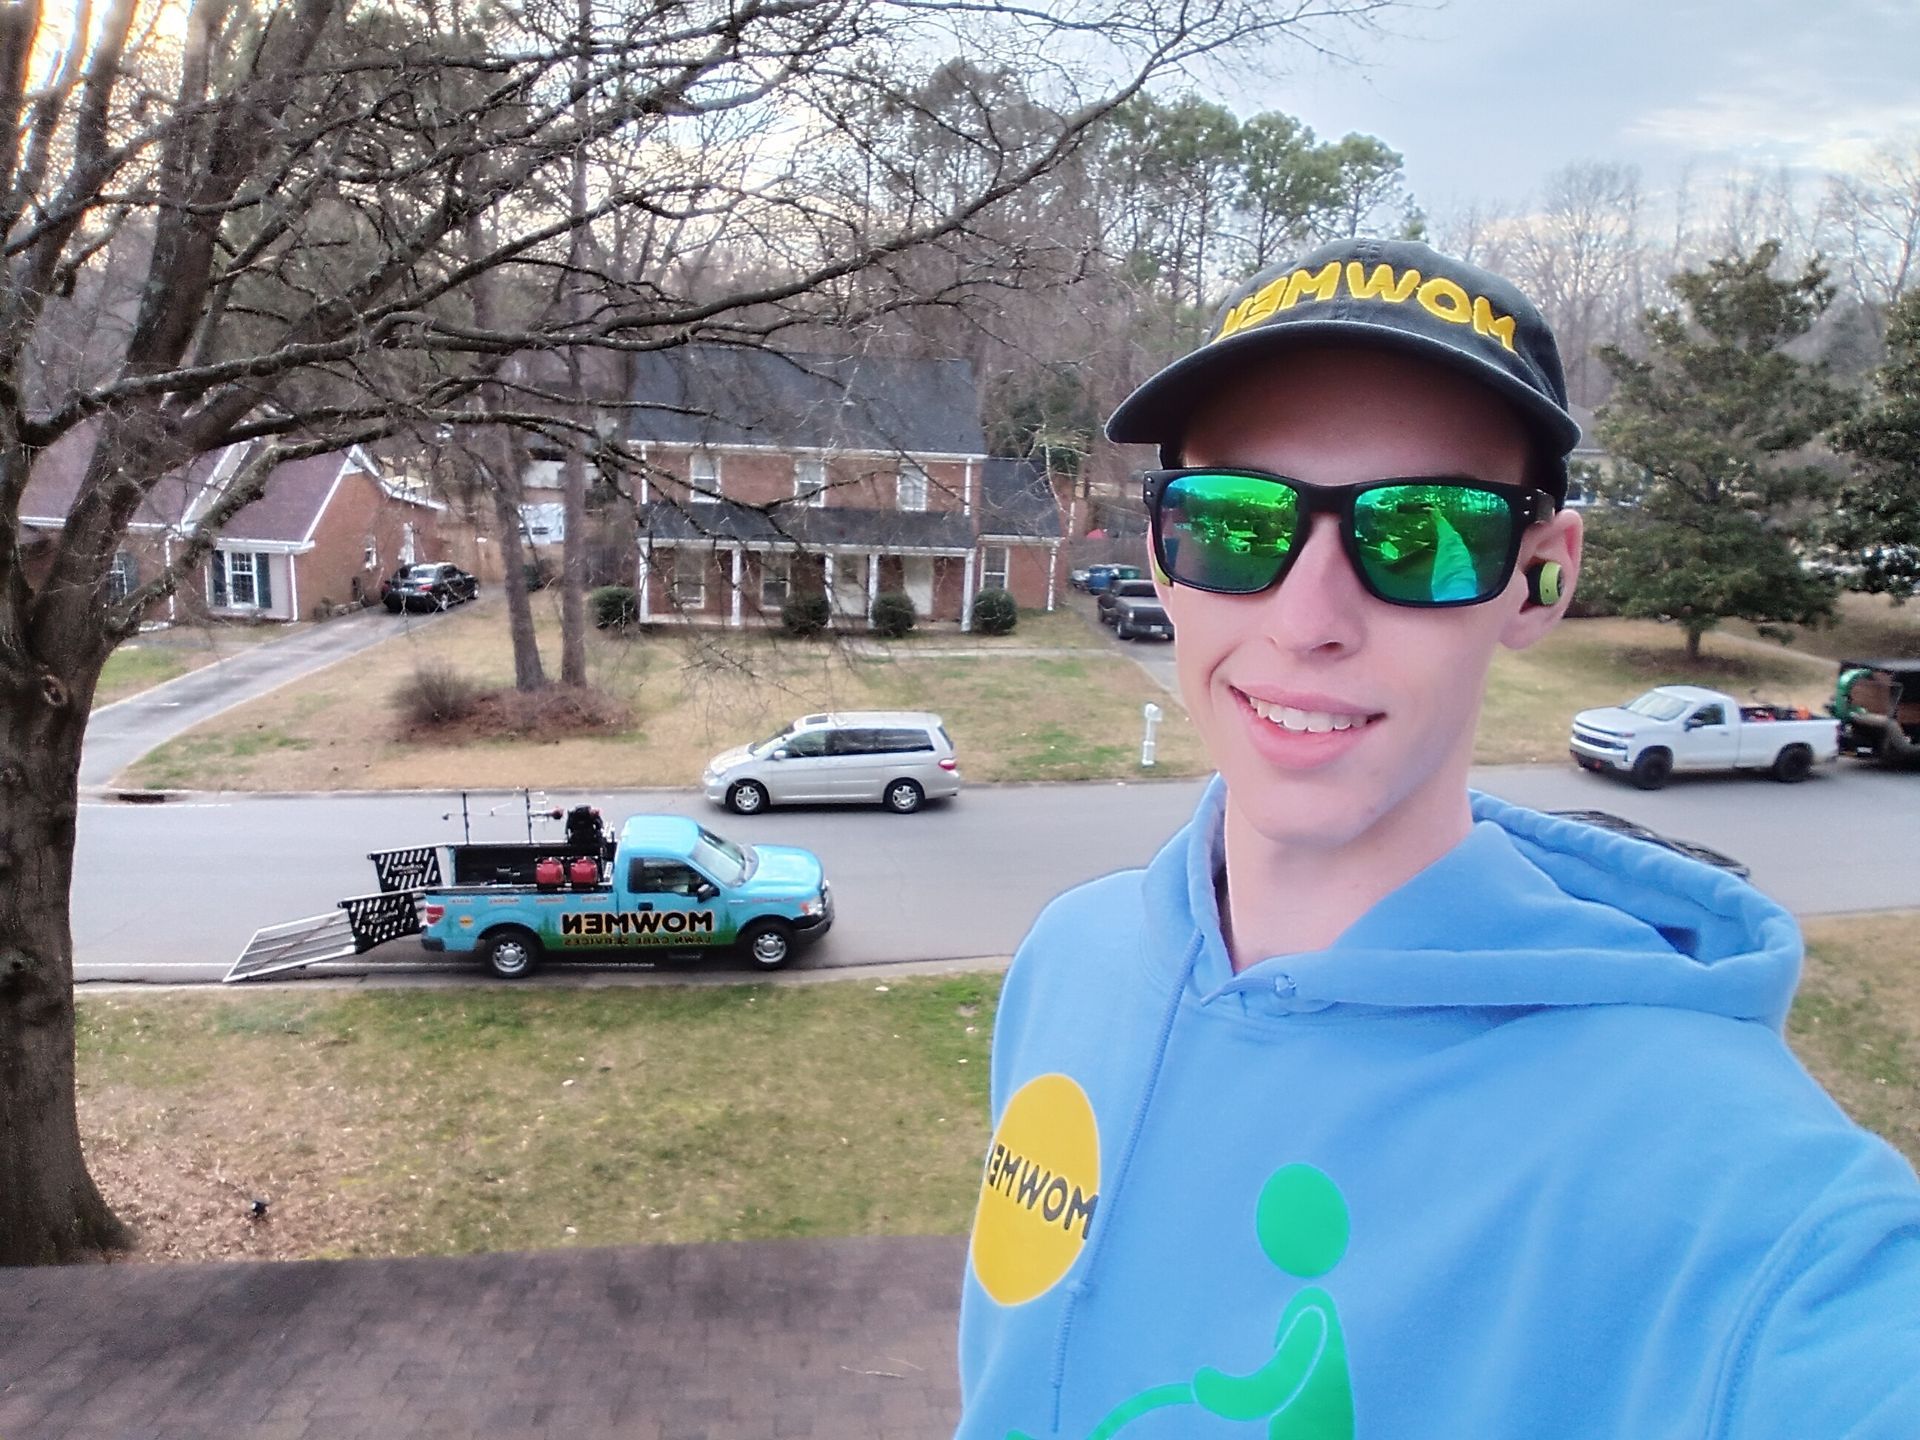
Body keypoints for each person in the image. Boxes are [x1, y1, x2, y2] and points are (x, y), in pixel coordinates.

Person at [955, 238, 1920, 1439]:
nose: (1307, 621)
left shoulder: (1725, 1195)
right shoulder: (1074, 958)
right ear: (1162, 547)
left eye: (1421, 534)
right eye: (1237, 524)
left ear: (1538, 580)